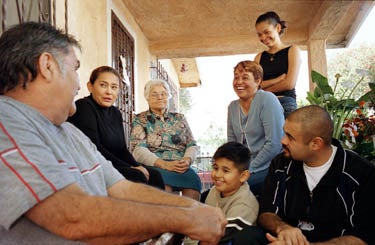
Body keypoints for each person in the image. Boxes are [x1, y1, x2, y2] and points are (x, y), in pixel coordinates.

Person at [0, 22, 227, 244]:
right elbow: (73, 216)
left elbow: (121, 188)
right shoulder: (7, 122)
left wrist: (194, 208)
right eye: (75, 69)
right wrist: (185, 219)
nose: (78, 84)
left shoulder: (70, 132)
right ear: (47, 66)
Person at [258, 105, 375, 244]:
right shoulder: (280, 164)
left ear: (316, 143)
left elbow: (363, 236)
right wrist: (282, 228)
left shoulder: (361, 173)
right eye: (285, 133)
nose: (283, 141)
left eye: (290, 137)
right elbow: (266, 212)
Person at [68, 66, 164, 189]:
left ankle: (158, 209)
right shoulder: (84, 107)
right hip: (92, 166)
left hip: (113, 165)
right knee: (136, 176)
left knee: (154, 175)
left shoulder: (116, 113)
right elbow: (93, 148)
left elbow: (122, 149)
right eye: (103, 85)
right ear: (90, 86)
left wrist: (137, 166)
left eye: (114, 87)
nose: (109, 92)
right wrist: (131, 168)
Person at [130, 79, 201, 201]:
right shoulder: (140, 119)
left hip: (180, 166)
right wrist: (165, 165)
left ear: (168, 96)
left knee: (193, 181)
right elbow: (138, 150)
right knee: (163, 187)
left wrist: (187, 160)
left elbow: (192, 144)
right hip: (157, 166)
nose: (159, 97)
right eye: (154, 94)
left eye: (163, 94)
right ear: (147, 97)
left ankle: (190, 219)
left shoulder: (179, 118)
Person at [227, 60, 284, 197]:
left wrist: (248, 170)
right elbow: (232, 144)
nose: (239, 82)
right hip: (245, 167)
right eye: (236, 77)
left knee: (231, 189)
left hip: (269, 164)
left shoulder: (267, 99)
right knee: (216, 190)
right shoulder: (232, 107)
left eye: (245, 77)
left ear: (258, 81)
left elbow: (274, 144)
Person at [204, 142, 266, 245]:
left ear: (243, 176)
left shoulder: (245, 205)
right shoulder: (214, 191)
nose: (218, 174)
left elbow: (223, 239)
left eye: (225, 171)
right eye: (215, 168)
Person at [254, 11, 301, 118]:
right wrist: (278, 79)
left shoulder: (293, 50)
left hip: (285, 103)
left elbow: (289, 84)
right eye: (259, 34)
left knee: (286, 135)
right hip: (263, 105)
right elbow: (255, 86)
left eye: (266, 32)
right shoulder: (259, 57)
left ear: (278, 28)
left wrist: (264, 90)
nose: (263, 37)